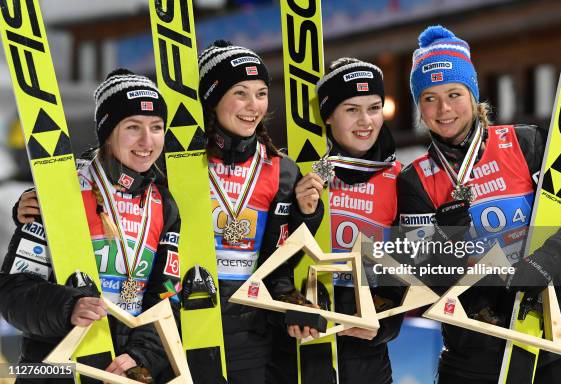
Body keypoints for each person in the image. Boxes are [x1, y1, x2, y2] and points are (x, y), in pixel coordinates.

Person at [396, 25, 561, 383]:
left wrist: (544, 264)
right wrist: (448, 241)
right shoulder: (415, 180)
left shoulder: (528, 144)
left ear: (473, 95)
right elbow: (421, 281)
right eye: (429, 97)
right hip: (473, 357)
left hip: (549, 342)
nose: (444, 109)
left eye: (454, 94)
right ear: (419, 107)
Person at [1, 69, 182, 382]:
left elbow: (167, 292)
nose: (147, 140)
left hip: (125, 368)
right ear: (108, 131)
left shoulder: (163, 203)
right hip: (57, 365)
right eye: (133, 127)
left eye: (156, 127)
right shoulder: (62, 191)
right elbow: (12, 292)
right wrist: (67, 308)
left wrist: (143, 355)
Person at [197, 40, 323, 383]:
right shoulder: (181, 166)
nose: (254, 106)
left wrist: (307, 213)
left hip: (251, 331)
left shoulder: (282, 170)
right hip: (190, 324)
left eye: (261, 93)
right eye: (240, 92)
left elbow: (279, 266)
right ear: (212, 98)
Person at [276, 58, 405, 384]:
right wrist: (300, 214)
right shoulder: (301, 175)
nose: (366, 121)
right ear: (328, 115)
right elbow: (274, 262)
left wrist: (384, 324)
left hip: (366, 354)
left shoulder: (399, 179)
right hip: (304, 344)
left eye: (374, 108)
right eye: (351, 110)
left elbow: (409, 269)